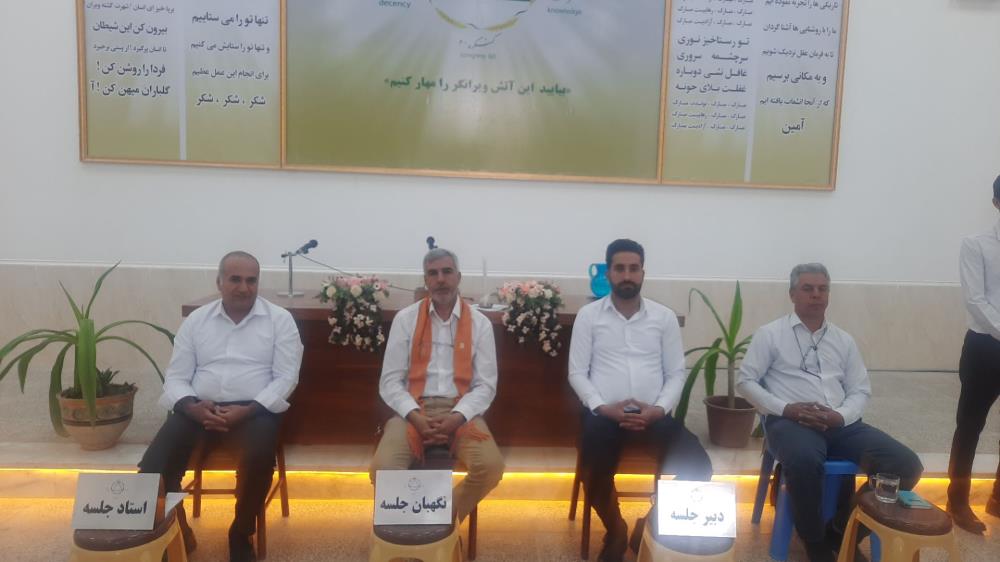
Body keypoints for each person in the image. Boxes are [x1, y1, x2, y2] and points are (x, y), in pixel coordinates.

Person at [737, 263, 923, 562]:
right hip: (791, 422)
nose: (816, 295)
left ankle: (842, 530)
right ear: (792, 294)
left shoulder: (843, 340)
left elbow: (860, 390)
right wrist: (787, 409)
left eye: (822, 289)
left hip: (841, 424)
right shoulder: (770, 334)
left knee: (905, 464)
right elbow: (745, 381)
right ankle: (815, 542)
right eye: (808, 289)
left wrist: (841, 416)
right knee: (804, 459)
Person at [138, 251, 303, 562]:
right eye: (235, 279)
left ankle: (240, 533)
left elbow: (286, 378)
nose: (244, 287)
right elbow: (176, 376)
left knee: (258, 458)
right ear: (219, 282)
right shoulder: (197, 321)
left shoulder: (279, 320)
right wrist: (191, 406)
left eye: (251, 280)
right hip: (196, 409)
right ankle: (177, 530)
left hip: (253, 411)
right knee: (154, 466)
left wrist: (249, 409)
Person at [568, 239, 713, 562]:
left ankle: (647, 526)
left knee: (700, 467)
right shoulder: (589, 316)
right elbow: (577, 373)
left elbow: (676, 373)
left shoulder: (663, 317)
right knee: (592, 466)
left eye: (633, 268)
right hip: (605, 416)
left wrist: (658, 409)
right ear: (609, 273)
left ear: (643, 273)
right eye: (620, 268)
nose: (627, 275)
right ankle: (616, 531)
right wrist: (603, 407)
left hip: (653, 416)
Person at [370, 248, 505, 523]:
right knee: (383, 470)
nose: (441, 279)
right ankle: (412, 527)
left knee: (491, 467)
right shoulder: (406, 319)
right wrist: (415, 418)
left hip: (461, 410)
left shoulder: (479, 323)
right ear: (426, 280)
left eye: (447, 272)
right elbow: (390, 381)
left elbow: (485, 385)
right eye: (433, 273)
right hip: (413, 410)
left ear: (459, 277)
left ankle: (437, 522)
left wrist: (457, 417)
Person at [947, 173, 1000, 533]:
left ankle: (998, 499)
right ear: (996, 202)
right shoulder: (976, 245)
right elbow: (976, 300)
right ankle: (957, 502)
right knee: (970, 426)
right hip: (985, 348)